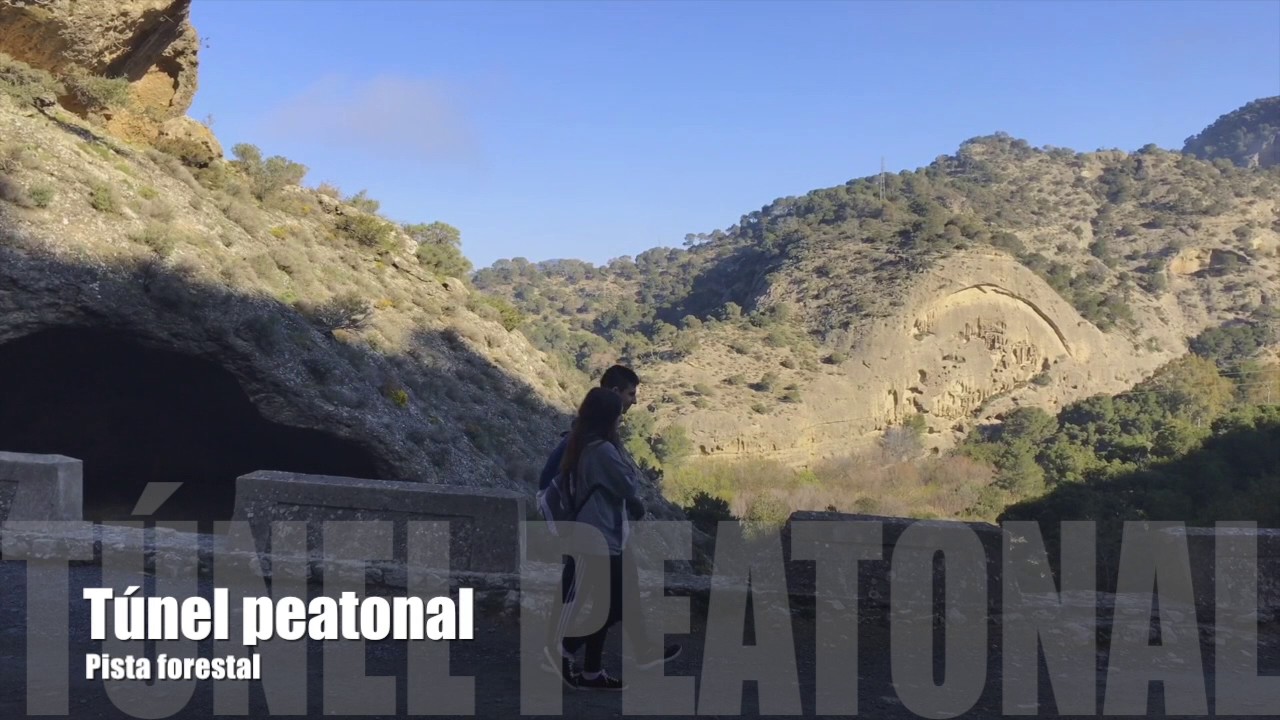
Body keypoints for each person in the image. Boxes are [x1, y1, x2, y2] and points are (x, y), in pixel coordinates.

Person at [546, 386, 679, 691]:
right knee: (616, 605)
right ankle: (565, 647)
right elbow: (629, 484)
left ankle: (591, 671)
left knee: (608, 602)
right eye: (619, 414)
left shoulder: (580, 443)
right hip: (601, 536)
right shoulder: (603, 450)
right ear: (610, 418)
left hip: (591, 533)